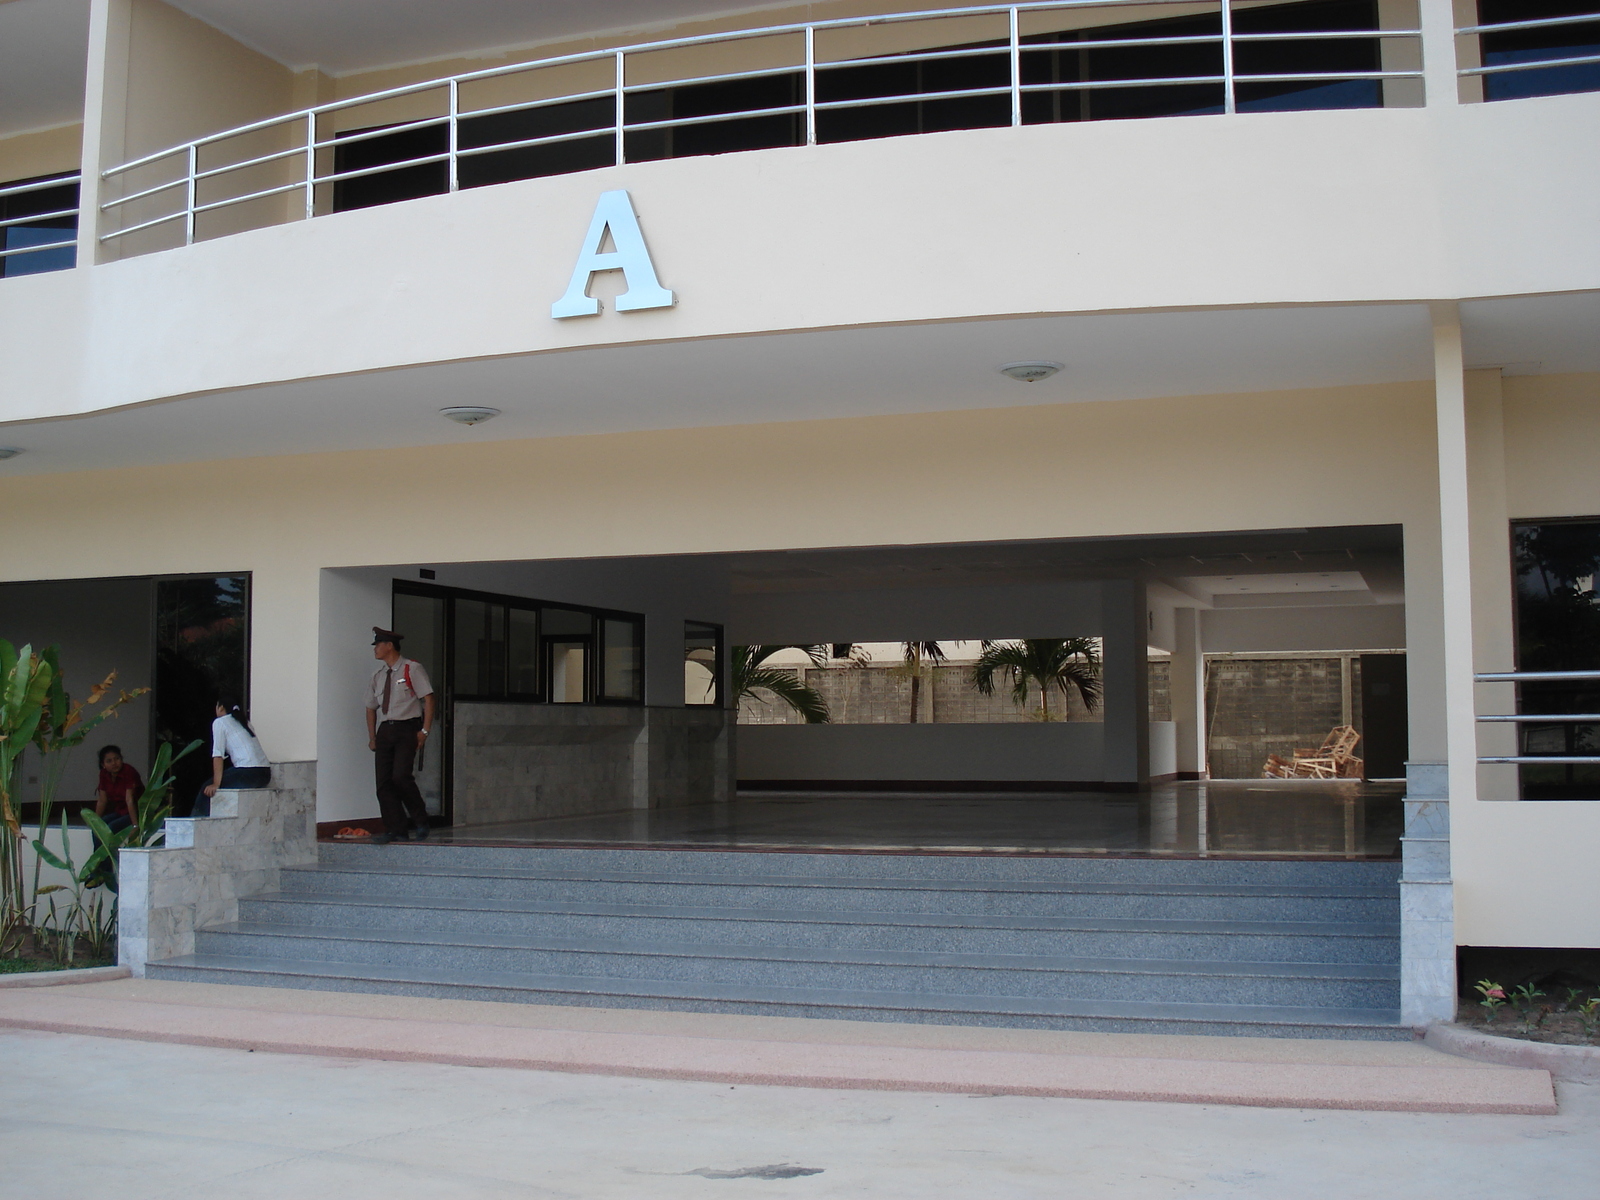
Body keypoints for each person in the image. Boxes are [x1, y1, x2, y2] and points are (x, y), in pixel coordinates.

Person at [365, 627, 435, 844]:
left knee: (401, 777)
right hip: (385, 729)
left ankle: (421, 821)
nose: (375, 649)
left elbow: (429, 699)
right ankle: (396, 829)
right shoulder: (378, 676)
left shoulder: (411, 669)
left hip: (407, 728)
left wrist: (424, 730)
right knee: (383, 782)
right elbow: (370, 707)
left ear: (389, 646)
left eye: (378, 645)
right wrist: (372, 737)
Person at [192, 697, 271, 817]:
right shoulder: (244, 722)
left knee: (206, 789)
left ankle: (195, 823)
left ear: (221, 707)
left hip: (248, 772)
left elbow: (218, 755)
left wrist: (216, 784)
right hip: (265, 773)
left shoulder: (220, 722)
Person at [93, 745, 143, 833]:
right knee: (99, 826)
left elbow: (129, 800)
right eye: (109, 761)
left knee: (112, 827)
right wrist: (95, 821)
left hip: (137, 811)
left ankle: (111, 847)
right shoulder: (103, 774)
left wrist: (135, 825)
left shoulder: (129, 771)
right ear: (103, 764)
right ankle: (100, 847)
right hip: (120, 811)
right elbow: (102, 800)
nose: (114, 763)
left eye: (117, 759)